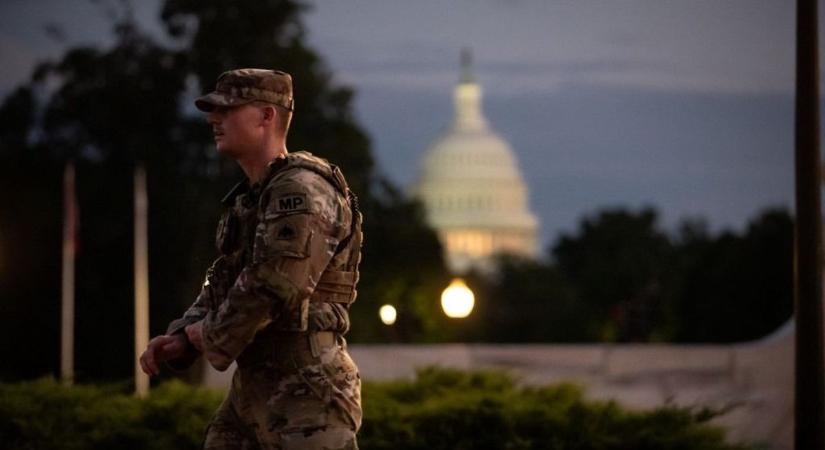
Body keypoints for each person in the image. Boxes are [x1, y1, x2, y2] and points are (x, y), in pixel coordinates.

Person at [139, 68, 363, 450]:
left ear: (267, 116)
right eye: (214, 110)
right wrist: (185, 335)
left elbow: (273, 285)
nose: (214, 119)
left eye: (228, 109)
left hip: (307, 391)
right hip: (253, 389)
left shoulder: (302, 191)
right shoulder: (252, 198)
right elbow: (225, 279)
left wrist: (203, 334)